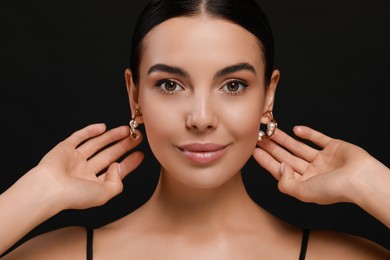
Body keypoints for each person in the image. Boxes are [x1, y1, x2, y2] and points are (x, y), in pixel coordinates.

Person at [1, 0, 389, 259]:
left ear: (268, 95)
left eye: (233, 84)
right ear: (134, 94)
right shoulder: (62, 255)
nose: (201, 118)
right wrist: (38, 192)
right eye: (170, 84)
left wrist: (370, 183)